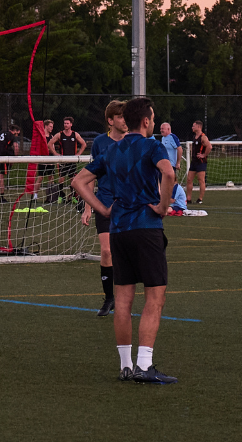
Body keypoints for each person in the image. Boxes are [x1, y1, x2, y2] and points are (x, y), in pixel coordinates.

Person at [76, 96, 177, 384]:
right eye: (153, 118)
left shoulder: (112, 150)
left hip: (118, 229)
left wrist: (103, 209)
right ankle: (144, 365)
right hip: (146, 228)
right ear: (145, 121)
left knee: (122, 299)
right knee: (155, 296)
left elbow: (78, 182)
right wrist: (162, 206)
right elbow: (168, 172)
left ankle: (125, 366)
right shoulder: (152, 145)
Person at [72, 102, 126, 317]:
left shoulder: (134, 142)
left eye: (126, 116)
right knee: (106, 251)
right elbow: (89, 178)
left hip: (126, 205)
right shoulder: (100, 143)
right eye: (120, 117)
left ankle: (122, 300)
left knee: (123, 254)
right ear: (110, 120)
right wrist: (88, 208)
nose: (124, 120)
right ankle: (109, 298)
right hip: (104, 203)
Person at [51, 117, 85, 205]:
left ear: (71, 124)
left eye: (67, 123)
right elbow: (50, 144)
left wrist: (78, 154)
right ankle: (60, 196)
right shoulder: (60, 134)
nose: (65, 125)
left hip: (72, 161)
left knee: (73, 180)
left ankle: (73, 196)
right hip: (63, 161)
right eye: (64, 123)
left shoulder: (75, 134)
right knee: (61, 179)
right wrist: (55, 153)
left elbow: (84, 144)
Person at [157, 122, 188, 216]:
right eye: (161, 128)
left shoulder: (172, 137)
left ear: (168, 129)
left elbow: (179, 149)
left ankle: (171, 203)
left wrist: (178, 162)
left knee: (170, 185)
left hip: (171, 166)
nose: (161, 130)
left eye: (163, 128)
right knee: (161, 183)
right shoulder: (163, 138)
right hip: (163, 166)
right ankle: (163, 203)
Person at [187, 121, 211, 204]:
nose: (192, 127)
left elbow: (209, 146)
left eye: (193, 126)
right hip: (194, 162)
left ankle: (200, 199)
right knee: (189, 179)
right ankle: (188, 199)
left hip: (200, 162)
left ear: (198, 127)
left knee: (201, 180)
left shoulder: (203, 137)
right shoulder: (194, 136)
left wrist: (204, 155)